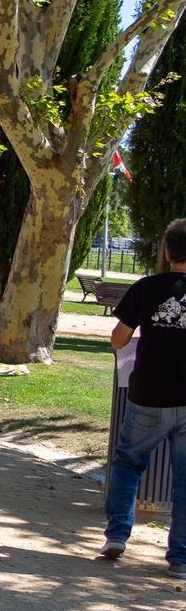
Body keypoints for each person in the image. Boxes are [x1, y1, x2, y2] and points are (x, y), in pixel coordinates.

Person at [101, 219, 186, 580]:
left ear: (167, 251)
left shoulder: (146, 287)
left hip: (148, 394)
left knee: (128, 463)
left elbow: (119, 338)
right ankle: (180, 558)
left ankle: (117, 535)